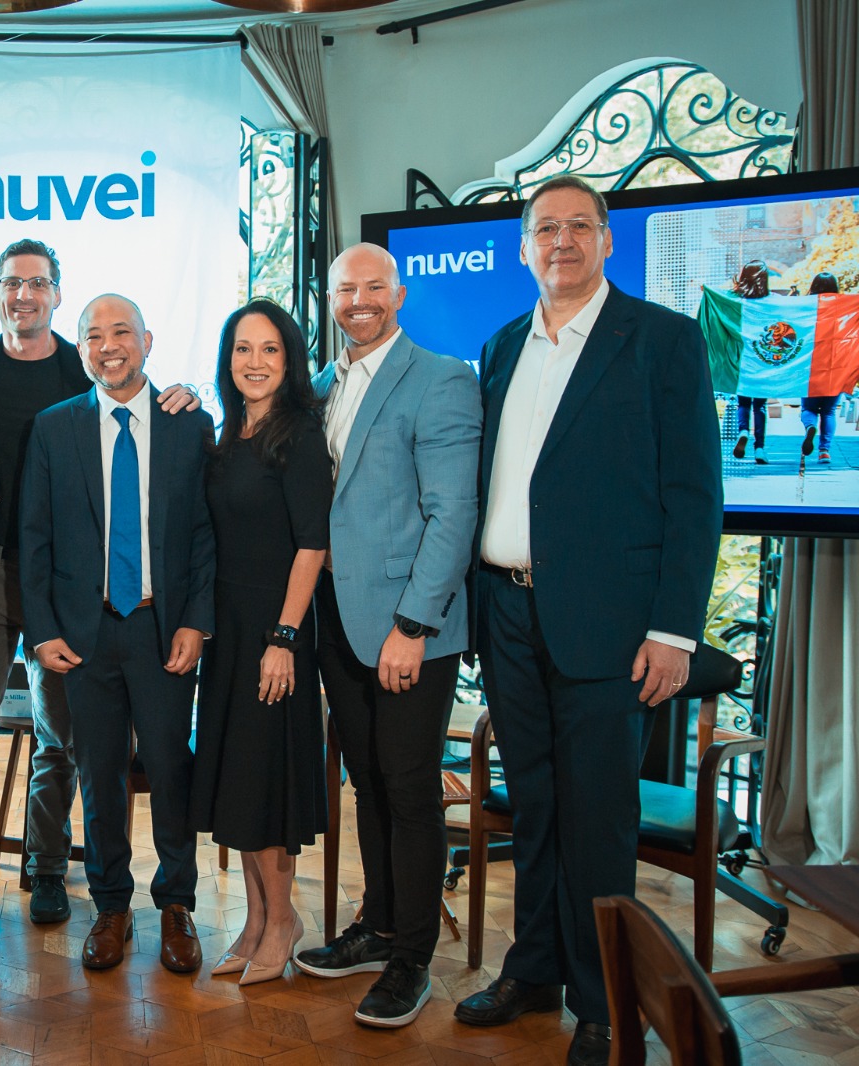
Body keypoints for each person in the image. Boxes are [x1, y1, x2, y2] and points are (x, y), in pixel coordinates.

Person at [455, 175, 721, 1066]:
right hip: (507, 613)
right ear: (523, 247)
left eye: (578, 226)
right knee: (532, 807)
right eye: (545, 229)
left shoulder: (663, 341)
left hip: (611, 627)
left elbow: (694, 496)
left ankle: (605, 1002)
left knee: (599, 817)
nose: (561, 241)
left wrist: (674, 631)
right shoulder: (501, 346)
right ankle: (533, 971)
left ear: (608, 239)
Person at [0, 239, 201, 945]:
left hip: (108, 601)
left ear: (57, 293)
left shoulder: (121, 388)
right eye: (12, 282)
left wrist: (184, 393)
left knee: (86, 744)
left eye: (37, 283)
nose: (24, 294)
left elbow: (192, 515)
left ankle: (64, 872)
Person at [292, 244, 481, 1027]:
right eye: (347, 289)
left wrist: (413, 624)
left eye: (375, 286)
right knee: (368, 782)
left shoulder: (441, 378)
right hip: (338, 619)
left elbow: (453, 513)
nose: (360, 300)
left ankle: (413, 959)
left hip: (410, 627)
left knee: (408, 788)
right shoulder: (322, 385)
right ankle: (378, 925)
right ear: (331, 297)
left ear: (399, 294)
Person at [20, 293, 214, 974]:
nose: (110, 346)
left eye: (122, 332)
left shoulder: (189, 424)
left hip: (164, 629)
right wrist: (42, 631)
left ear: (147, 340)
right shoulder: (54, 428)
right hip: (85, 634)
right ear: (81, 351)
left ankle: (177, 904)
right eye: (95, 336)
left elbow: (204, 534)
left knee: (170, 768)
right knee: (98, 774)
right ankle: (110, 906)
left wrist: (195, 621)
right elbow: (33, 537)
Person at [187, 298, 331, 987]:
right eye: (243, 348)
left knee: (267, 785)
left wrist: (284, 638)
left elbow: (312, 545)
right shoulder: (228, 433)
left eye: (269, 349)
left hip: (275, 634)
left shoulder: (299, 434)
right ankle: (255, 921)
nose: (255, 361)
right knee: (240, 784)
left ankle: (283, 922)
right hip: (231, 634)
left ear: (289, 359)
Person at [731, 261, 771, 465]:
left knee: (743, 402)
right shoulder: (771, 302)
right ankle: (760, 449)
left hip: (743, 360)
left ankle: (743, 431)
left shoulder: (737, 300)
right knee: (760, 406)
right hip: (763, 360)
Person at [800, 271, 843, 464]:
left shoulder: (805, 307)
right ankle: (824, 451)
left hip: (810, 366)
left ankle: (810, 426)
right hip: (837, 365)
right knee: (829, 411)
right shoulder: (844, 307)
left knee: (808, 408)